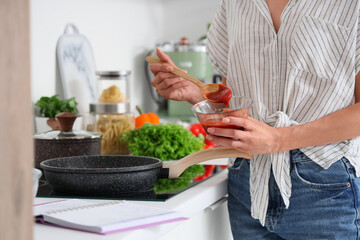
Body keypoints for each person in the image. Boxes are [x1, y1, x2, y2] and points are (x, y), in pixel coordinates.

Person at [149, 1, 360, 239]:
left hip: (323, 185)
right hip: (247, 181)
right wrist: (196, 94)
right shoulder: (235, 4)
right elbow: (239, 101)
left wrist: (278, 139)